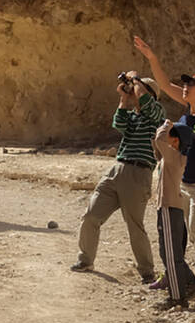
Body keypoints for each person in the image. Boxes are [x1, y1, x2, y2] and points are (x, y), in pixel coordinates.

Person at [132, 38, 195, 293]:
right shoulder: (187, 116)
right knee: (180, 234)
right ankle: (180, 274)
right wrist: (152, 58)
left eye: (192, 85)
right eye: (185, 85)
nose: (185, 88)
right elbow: (164, 84)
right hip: (183, 184)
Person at [70, 71, 164, 280]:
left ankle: (147, 271)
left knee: (134, 226)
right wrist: (124, 98)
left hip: (139, 173)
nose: (134, 91)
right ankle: (85, 259)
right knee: (91, 215)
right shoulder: (133, 116)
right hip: (116, 169)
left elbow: (147, 102)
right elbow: (118, 124)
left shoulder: (157, 114)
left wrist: (135, 79)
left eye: (138, 89)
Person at [152, 119, 195, 309]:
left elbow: (159, 140)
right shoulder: (173, 157)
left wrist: (167, 124)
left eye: (170, 137)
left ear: (175, 141)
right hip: (170, 207)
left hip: (168, 208)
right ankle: (191, 282)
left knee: (171, 254)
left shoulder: (174, 156)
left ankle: (177, 297)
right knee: (167, 253)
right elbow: (157, 146)